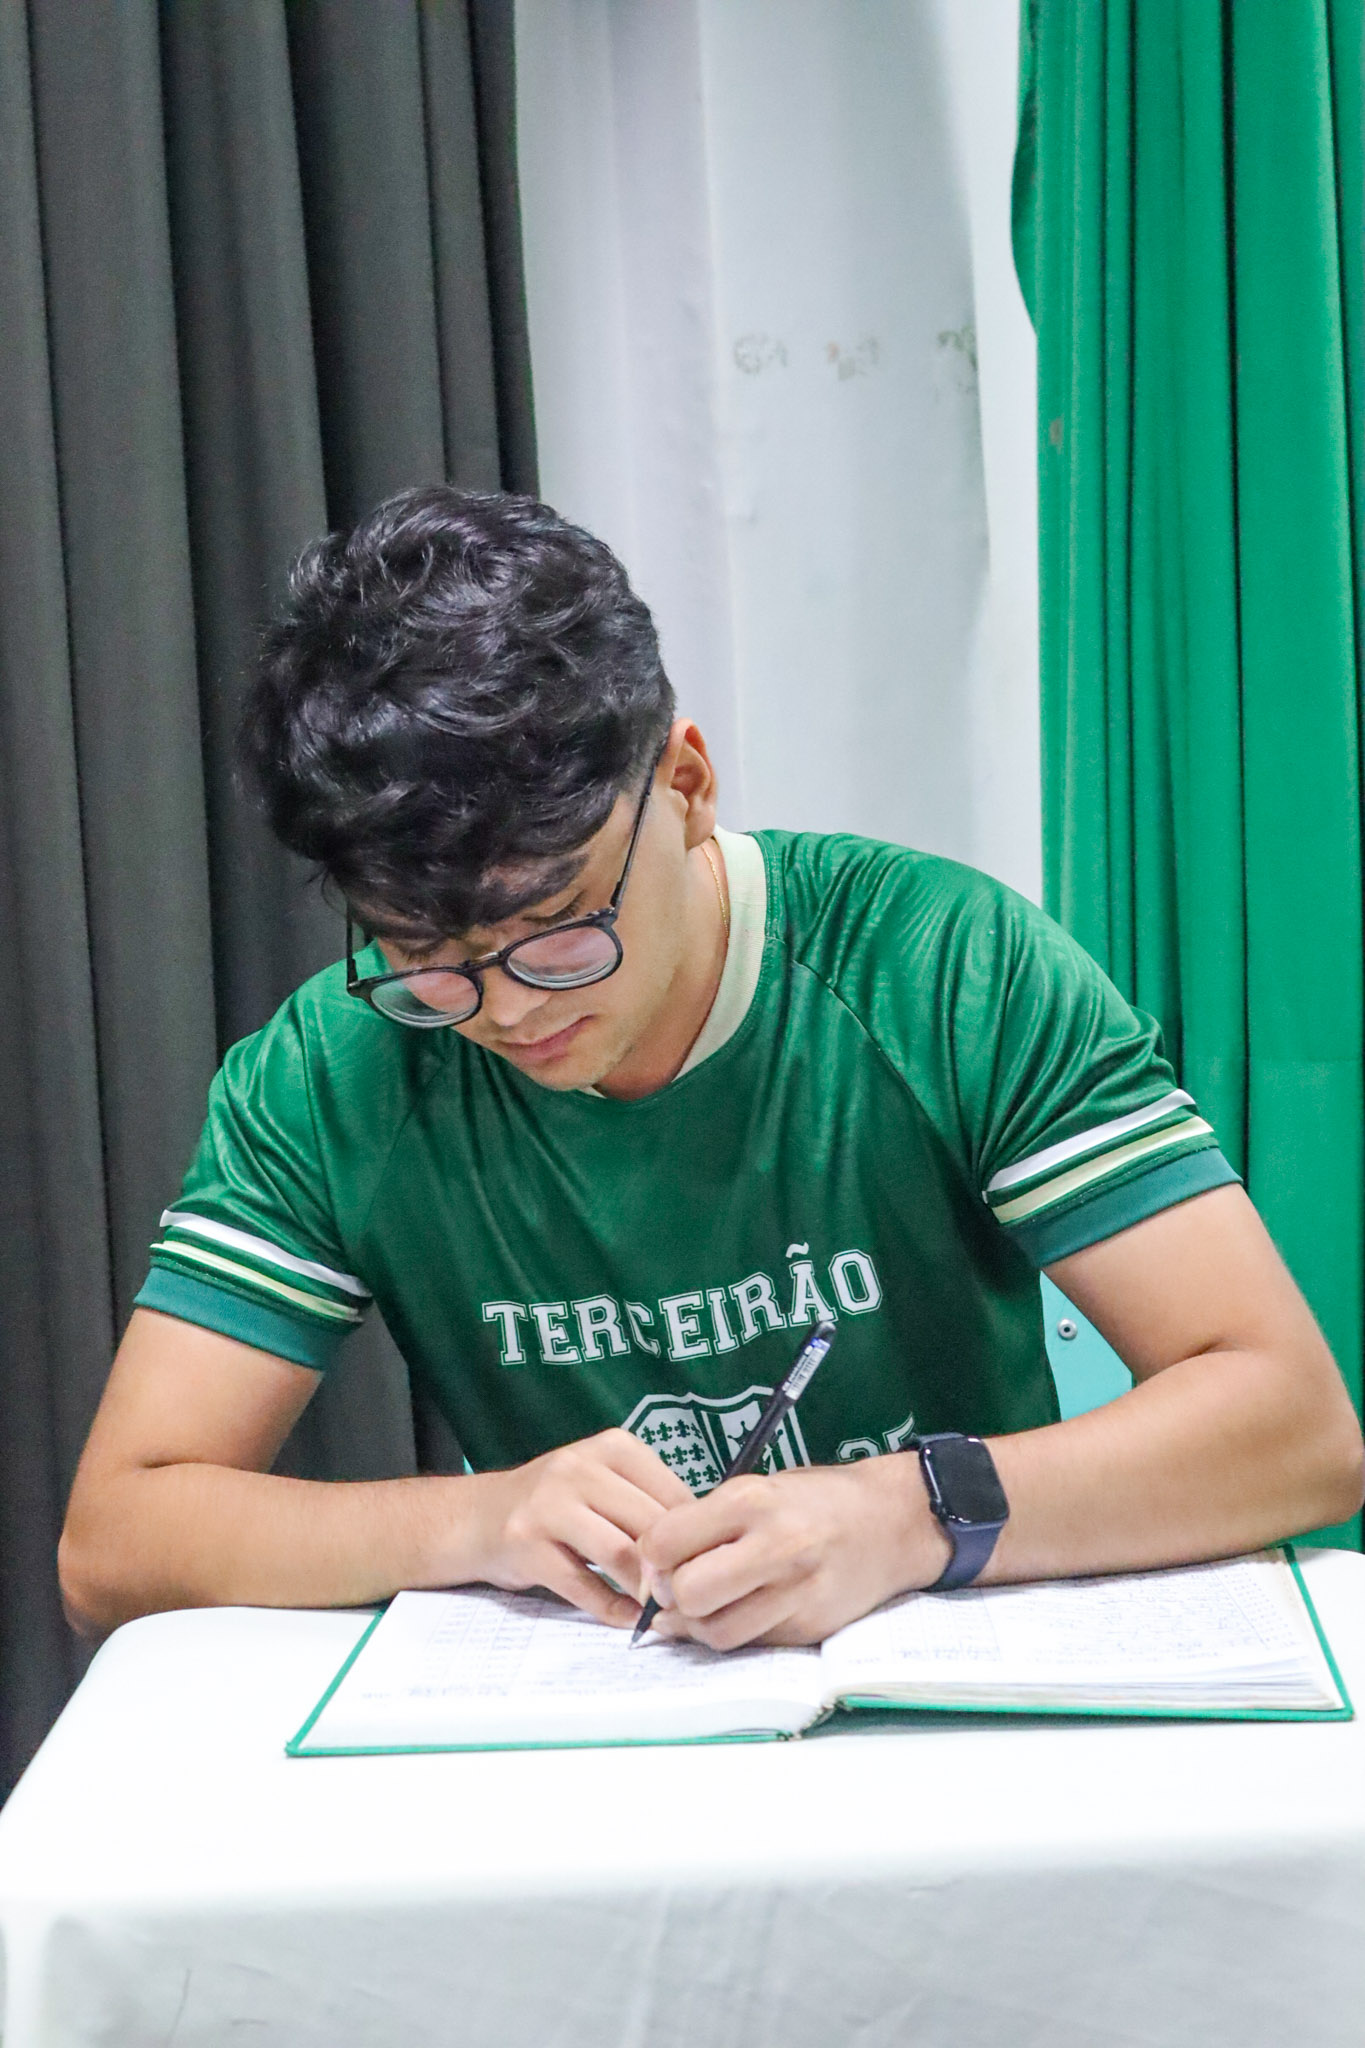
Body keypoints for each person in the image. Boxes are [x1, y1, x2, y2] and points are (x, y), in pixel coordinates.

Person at [59, 487, 1363, 1648]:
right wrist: (476, 1521)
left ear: (684, 783)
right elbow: (116, 1541)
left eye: (558, 932)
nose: (505, 1011)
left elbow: (1294, 1431)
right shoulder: (339, 1072)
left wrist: (902, 1514)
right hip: (610, 1724)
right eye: (425, 957)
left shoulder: (934, 967)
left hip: (958, 1695)